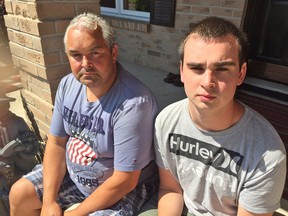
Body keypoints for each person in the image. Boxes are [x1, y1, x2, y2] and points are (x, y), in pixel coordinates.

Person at [9, 13, 159, 216]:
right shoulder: (68, 85)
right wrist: (49, 201)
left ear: (113, 53)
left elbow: (124, 181)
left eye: (95, 53)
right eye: (76, 55)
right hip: (74, 176)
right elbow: (56, 143)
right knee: (19, 194)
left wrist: (75, 213)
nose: (86, 63)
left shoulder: (133, 103)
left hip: (123, 191)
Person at [153, 17, 286, 215]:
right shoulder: (166, 121)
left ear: (241, 74)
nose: (208, 82)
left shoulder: (267, 153)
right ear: (181, 71)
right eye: (196, 68)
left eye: (222, 69)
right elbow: (171, 189)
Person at [0, 89, 39, 216]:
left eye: (3, 105)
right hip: (2, 172)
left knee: (26, 192)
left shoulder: (18, 122)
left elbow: (33, 146)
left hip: (22, 168)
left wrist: (24, 148)